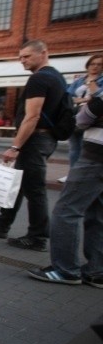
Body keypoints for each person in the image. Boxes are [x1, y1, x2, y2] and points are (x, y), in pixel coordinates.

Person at [0, 40, 65, 252]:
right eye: (20, 57)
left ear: (43, 53)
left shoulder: (39, 79)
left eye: (26, 56)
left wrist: (15, 146)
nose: (22, 61)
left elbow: (32, 115)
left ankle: (37, 237)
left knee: (34, 189)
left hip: (35, 139)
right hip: (45, 138)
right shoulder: (57, 76)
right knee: (18, 184)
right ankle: (2, 222)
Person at [27, 95, 103, 287]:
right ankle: (96, 270)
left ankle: (66, 269)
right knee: (97, 213)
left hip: (96, 157)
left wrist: (85, 106)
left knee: (67, 211)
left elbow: (82, 119)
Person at [65, 54, 103, 168]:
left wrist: (92, 83)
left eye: (99, 64)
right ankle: (72, 171)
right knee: (73, 147)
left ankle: (81, 173)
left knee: (85, 147)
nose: (95, 67)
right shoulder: (79, 80)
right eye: (92, 64)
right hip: (75, 115)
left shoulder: (100, 80)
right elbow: (68, 96)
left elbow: (98, 97)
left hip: (91, 118)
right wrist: (82, 99)